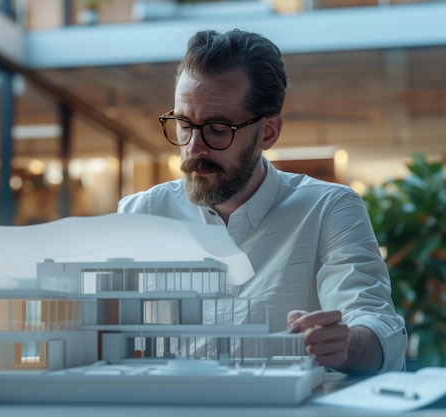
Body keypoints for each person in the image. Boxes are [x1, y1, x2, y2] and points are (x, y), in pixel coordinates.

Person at [117, 29, 406, 373]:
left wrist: (346, 345)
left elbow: (374, 323)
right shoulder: (141, 214)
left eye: (218, 129)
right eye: (183, 124)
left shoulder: (328, 209)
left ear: (268, 132)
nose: (193, 148)